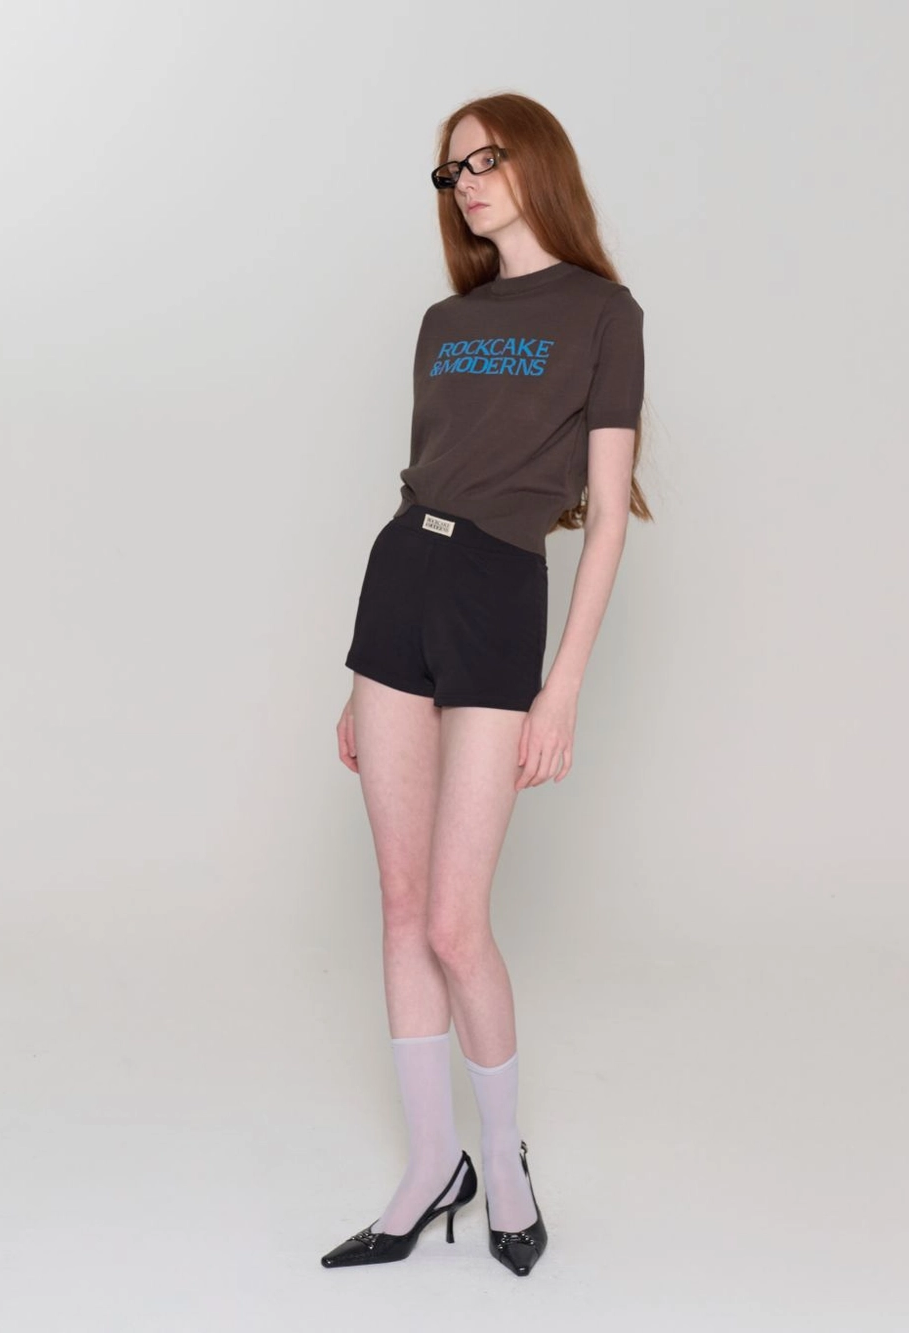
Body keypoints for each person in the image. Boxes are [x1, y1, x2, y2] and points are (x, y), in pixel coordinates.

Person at [320, 92, 649, 1278]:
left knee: (459, 921)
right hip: (398, 583)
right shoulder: (442, 321)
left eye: (485, 158)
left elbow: (606, 517)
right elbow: (426, 476)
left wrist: (562, 688)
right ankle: (429, 1169)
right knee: (402, 907)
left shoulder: (603, 313)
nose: (465, 181)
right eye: (450, 169)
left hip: (499, 592)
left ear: (537, 160)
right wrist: (364, 676)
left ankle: (502, 1165)